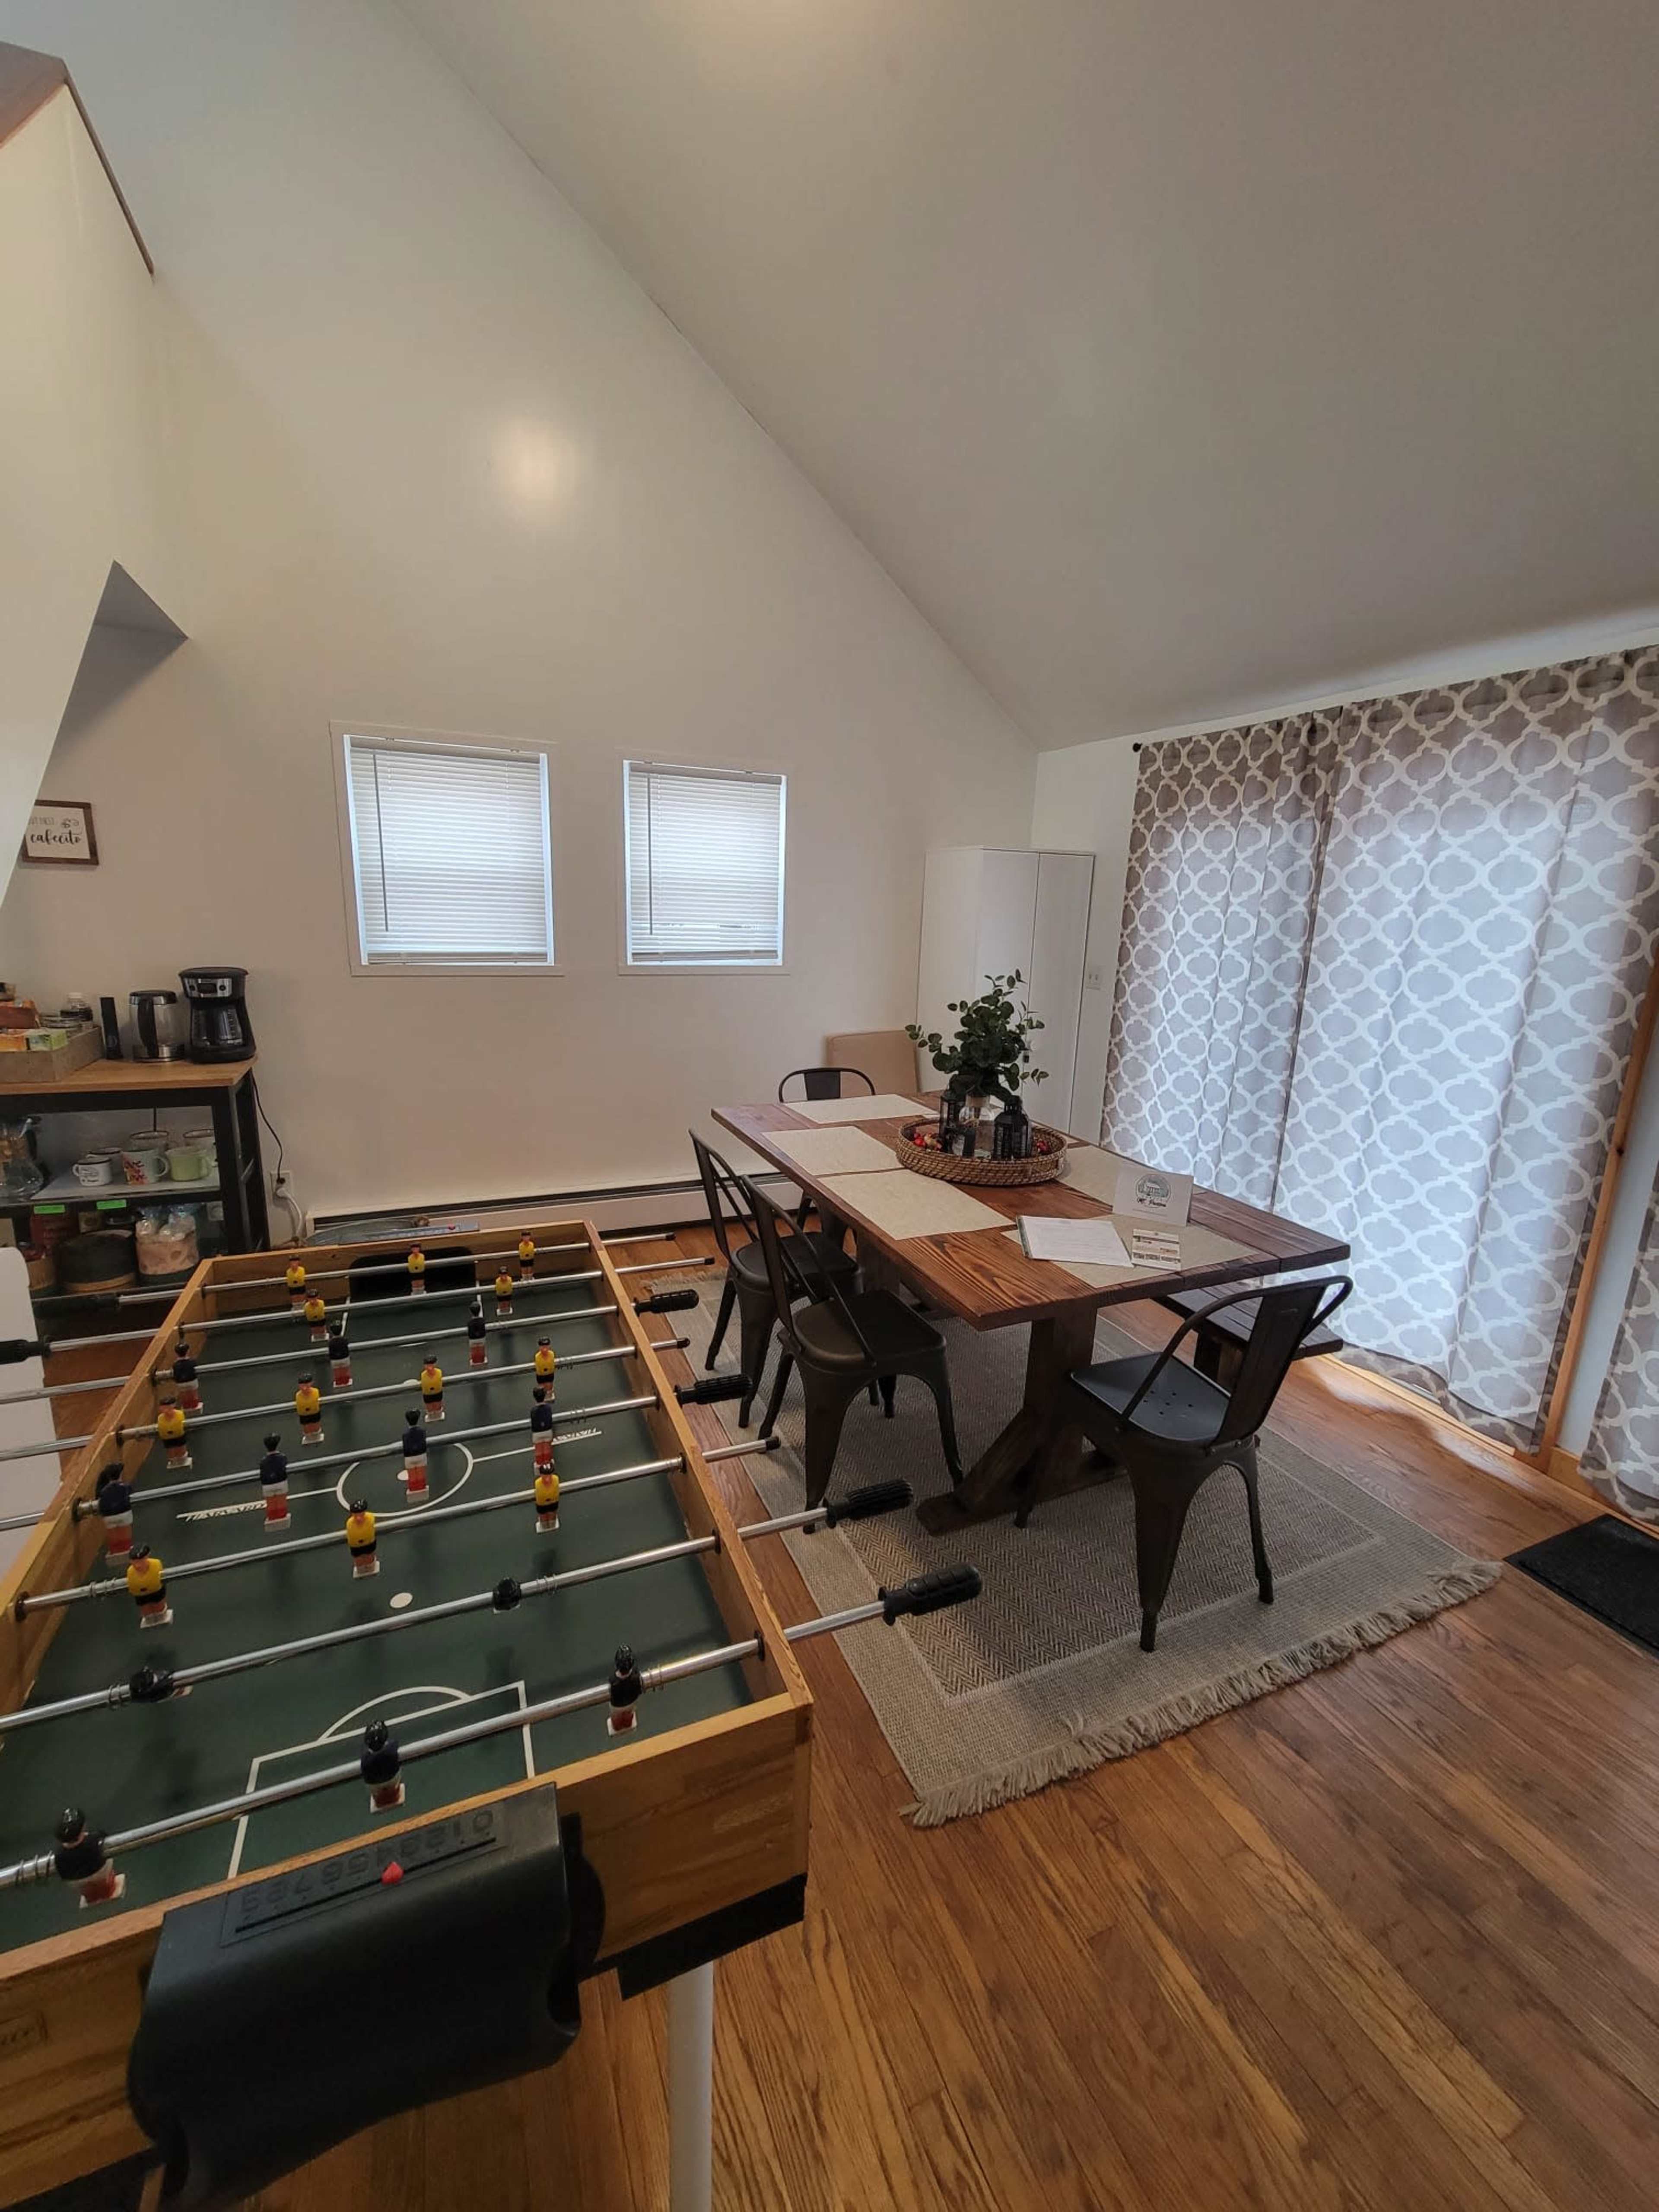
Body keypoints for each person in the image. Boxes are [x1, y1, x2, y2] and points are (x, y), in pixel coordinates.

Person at [53, 1808, 122, 1907]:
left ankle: (91, 1894)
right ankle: (107, 1887)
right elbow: (104, 1837)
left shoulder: (59, 1854)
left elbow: (62, 1873)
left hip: (74, 1881)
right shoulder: (95, 1839)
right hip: (100, 1871)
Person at [126, 1545, 169, 1627]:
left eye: (141, 1561)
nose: (137, 1565)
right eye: (135, 1562)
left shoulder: (156, 1564)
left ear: (147, 1557)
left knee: (159, 1609)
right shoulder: (130, 1572)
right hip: (140, 1596)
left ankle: (161, 1616)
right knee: (147, 1612)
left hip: (157, 1592)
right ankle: (149, 1619)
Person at [95, 1464, 133, 1557]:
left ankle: (115, 1551)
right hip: (124, 1514)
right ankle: (126, 1549)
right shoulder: (125, 1487)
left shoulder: (104, 1491)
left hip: (108, 1517)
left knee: (112, 1535)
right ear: (120, 1475)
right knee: (125, 1533)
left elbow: (100, 1503)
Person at [259, 1433, 289, 1528]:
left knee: (271, 1503)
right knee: (281, 1501)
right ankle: (282, 1517)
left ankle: (272, 1518)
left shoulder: (263, 1461)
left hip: (267, 1485)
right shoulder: (282, 1457)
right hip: (281, 1482)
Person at [345, 1500, 378, 1577]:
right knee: (359, 1559)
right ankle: (361, 1569)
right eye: (356, 1515)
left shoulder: (370, 1518)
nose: (359, 1518)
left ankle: (370, 1567)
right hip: (355, 1546)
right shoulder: (350, 1524)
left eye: (361, 1515)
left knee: (369, 1556)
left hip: (369, 1543)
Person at [155, 1396, 190, 1470]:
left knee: (181, 1448)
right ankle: (173, 1461)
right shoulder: (160, 1418)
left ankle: (182, 1460)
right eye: (164, 1408)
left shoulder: (179, 1414)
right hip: (167, 1438)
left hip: (179, 1435)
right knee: (171, 1450)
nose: (167, 1410)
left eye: (168, 1408)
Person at [171, 1334, 202, 1413]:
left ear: (177, 1353)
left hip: (181, 1383)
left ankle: (186, 1406)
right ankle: (195, 1405)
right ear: (188, 1351)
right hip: (192, 1381)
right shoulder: (192, 1362)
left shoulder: (175, 1364)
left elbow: (175, 1375)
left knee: (184, 1395)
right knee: (194, 1394)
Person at [295, 1374, 324, 1445]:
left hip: (315, 1412)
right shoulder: (298, 1395)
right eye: (302, 1385)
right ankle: (309, 1437)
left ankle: (316, 1436)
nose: (305, 1388)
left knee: (315, 1425)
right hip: (304, 1414)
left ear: (311, 1383)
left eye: (307, 1385)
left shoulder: (316, 1392)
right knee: (307, 1427)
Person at [466, 1297, 488, 1368]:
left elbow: (469, 1333)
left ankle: (475, 1360)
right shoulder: (482, 1321)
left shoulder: (470, 1323)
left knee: (474, 1350)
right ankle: (482, 1359)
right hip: (482, 1338)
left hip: (473, 1340)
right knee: (482, 1349)